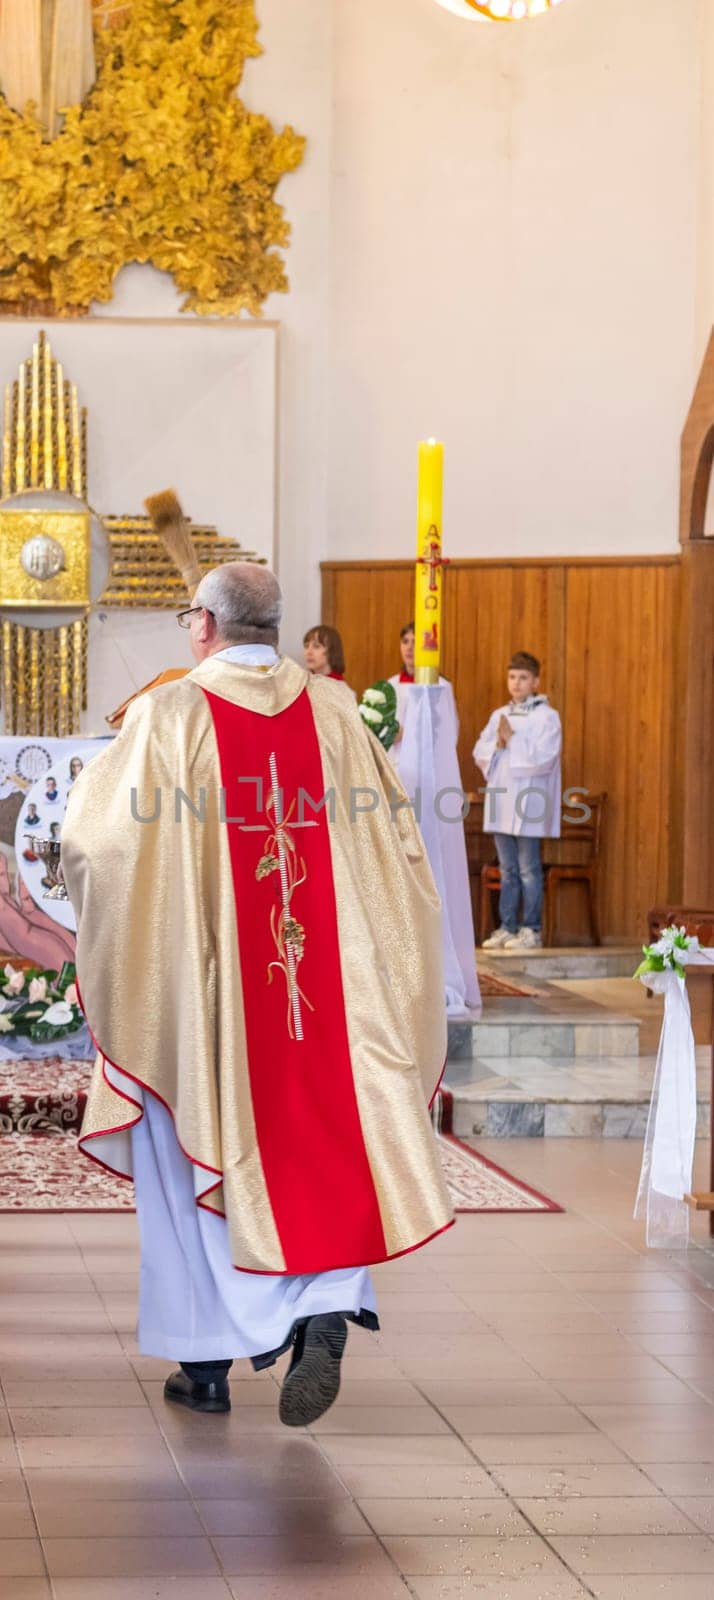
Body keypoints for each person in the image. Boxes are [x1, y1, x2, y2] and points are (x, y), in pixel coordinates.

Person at [62, 562, 452, 1426]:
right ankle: (320, 1306)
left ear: (204, 624)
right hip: (321, 993)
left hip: (209, 998)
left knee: (187, 1139)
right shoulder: (339, 713)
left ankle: (204, 1365)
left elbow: (97, 847)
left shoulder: (167, 714)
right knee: (321, 1143)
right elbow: (398, 848)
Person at [473, 650, 562, 951]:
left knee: (528, 868)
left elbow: (544, 758)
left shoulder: (547, 717)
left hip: (528, 801)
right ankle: (507, 926)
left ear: (535, 682)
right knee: (508, 868)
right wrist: (496, 744)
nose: (517, 683)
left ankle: (531, 928)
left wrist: (513, 740)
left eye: (523, 678)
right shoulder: (499, 714)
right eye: (512, 677)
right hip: (502, 798)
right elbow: (480, 752)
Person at [388, 621, 458, 772]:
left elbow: (449, 733)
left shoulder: (440, 686)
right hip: (394, 765)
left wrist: (406, 734)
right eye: (405, 641)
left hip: (427, 766)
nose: (409, 647)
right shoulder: (390, 685)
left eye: (415, 642)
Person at [303, 624, 355, 698]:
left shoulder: (341, 691)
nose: (309, 652)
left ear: (331, 651)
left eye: (316, 646)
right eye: (306, 646)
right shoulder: (302, 683)